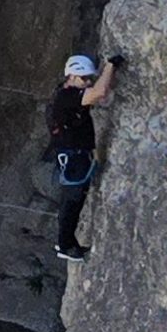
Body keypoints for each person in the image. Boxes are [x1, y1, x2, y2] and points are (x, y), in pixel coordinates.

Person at [42, 53, 119, 261]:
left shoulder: (68, 94)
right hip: (72, 156)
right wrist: (110, 66)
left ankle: (68, 243)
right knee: (72, 200)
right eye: (84, 78)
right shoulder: (66, 96)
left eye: (88, 78)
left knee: (75, 199)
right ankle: (65, 245)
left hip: (77, 155)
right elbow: (100, 92)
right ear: (73, 76)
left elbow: (98, 90)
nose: (87, 82)